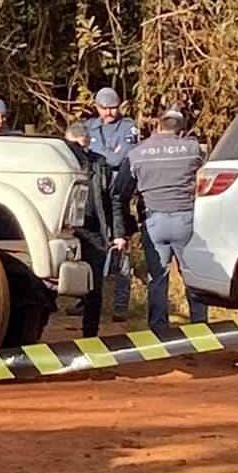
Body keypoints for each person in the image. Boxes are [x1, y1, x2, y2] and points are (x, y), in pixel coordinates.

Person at [111, 108, 207, 335]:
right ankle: (201, 328)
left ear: (157, 127)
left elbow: (120, 192)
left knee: (157, 278)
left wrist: (126, 224)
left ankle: (159, 330)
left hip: (154, 222)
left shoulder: (138, 152)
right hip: (187, 221)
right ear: (181, 131)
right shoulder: (194, 149)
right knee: (193, 276)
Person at [85, 87, 140, 322]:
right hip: (95, 195)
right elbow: (86, 154)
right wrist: (108, 153)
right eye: (104, 108)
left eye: (113, 107)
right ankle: (85, 299)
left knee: (121, 250)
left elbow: (121, 158)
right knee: (89, 248)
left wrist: (99, 153)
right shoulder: (89, 126)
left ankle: (120, 305)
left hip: (119, 196)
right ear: (97, 107)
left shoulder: (128, 127)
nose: (109, 112)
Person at [63, 122, 112, 337]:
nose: (78, 152)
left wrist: (116, 232)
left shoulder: (99, 164)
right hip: (63, 231)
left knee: (95, 288)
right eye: (72, 146)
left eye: (82, 146)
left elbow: (111, 201)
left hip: (92, 232)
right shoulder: (56, 163)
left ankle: (90, 335)